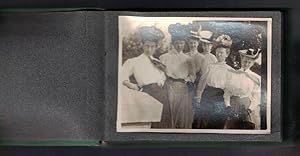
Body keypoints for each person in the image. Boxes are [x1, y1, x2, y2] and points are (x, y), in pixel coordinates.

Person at [121, 26, 172, 128]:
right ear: (142, 45)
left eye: (152, 46)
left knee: (164, 123)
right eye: (147, 46)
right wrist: (130, 84)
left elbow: (163, 78)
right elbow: (122, 75)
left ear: (156, 46)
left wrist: (161, 82)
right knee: (150, 123)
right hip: (147, 94)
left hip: (163, 95)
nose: (149, 49)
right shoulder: (133, 62)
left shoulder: (157, 62)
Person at [159, 23, 196, 129]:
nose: (180, 46)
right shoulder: (164, 57)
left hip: (183, 88)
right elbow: (160, 74)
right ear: (173, 43)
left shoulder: (188, 59)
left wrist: (187, 79)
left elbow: (193, 75)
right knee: (169, 112)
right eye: (177, 43)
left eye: (182, 43)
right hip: (168, 86)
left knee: (182, 114)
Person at [193, 44, 233, 129]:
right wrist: (198, 97)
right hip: (207, 95)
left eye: (221, 53)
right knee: (203, 120)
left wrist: (227, 104)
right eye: (217, 52)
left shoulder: (230, 70)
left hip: (220, 98)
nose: (219, 54)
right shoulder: (210, 66)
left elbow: (228, 89)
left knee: (217, 121)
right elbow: (202, 81)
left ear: (227, 54)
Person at [224, 48, 261, 129]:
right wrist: (227, 105)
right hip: (233, 105)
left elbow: (257, 96)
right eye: (245, 61)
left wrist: (250, 109)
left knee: (247, 128)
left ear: (253, 63)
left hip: (247, 106)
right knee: (232, 127)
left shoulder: (256, 78)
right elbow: (227, 92)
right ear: (241, 60)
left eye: (249, 62)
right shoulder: (233, 74)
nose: (246, 64)